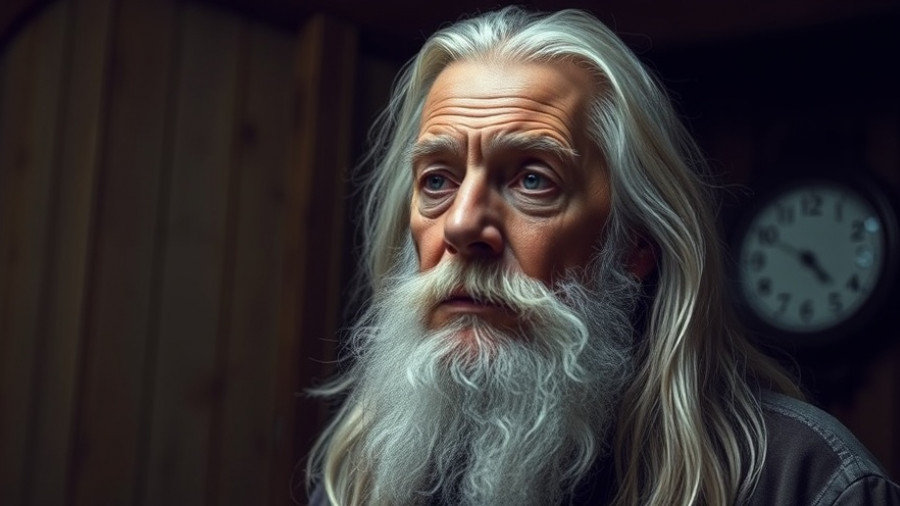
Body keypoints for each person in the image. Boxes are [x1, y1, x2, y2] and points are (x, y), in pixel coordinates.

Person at [305, 7, 900, 506]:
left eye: (533, 180)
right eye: (437, 180)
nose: (461, 225)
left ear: (636, 243)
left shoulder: (806, 482)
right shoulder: (369, 472)